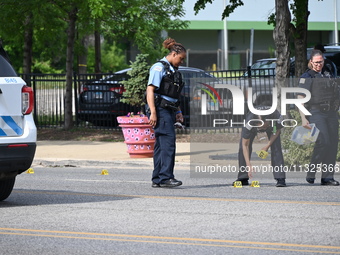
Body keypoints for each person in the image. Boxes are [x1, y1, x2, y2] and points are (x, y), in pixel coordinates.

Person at [146, 38, 186, 188]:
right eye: (181, 58)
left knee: (161, 145)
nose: (182, 62)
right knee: (168, 143)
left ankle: (157, 178)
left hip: (169, 109)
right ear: (174, 54)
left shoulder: (172, 70)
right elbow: (150, 90)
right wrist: (153, 113)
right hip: (160, 110)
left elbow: (174, 95)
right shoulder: (158, 68)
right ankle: (166, 177)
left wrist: (179, 111)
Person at [298, 49, 340, 186]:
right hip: (316, 112)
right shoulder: (307, 76)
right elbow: (300, 99)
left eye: (320, 62)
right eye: (316, 62)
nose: (318, 65)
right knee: (324, 141)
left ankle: (327, 177)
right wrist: (304, 118)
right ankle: (312, 169)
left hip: (331, 113)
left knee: (333, 144)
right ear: (311, 62)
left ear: (323, 60)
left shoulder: (328, 74)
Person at [233, 108, 287, 187]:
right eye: (261, 128)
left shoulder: (276, 117)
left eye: (265, 127)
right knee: (242, 149)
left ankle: (280, 178)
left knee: (276, 147)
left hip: (273, 127)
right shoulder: (249, 123)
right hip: (253, 127)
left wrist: (267, 145)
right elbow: (245, 145)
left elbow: (276, 131)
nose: (263, 130)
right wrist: (248, 165)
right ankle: (243, 178)